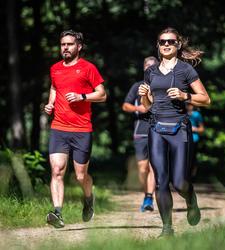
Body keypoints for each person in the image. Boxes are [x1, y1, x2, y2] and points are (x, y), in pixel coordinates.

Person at [138, 27, 210, 236]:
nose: (166, 44)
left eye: (170, 41)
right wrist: (144, 95)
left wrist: (183, 95)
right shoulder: (150, 72)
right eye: (162, 42)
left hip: (179, 128)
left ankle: (191, 198)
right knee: (161, 180)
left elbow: (206, 99)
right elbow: (148, 106)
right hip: (156, 128)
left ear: (178, 45)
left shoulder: (186, 70)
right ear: (158, 46)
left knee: (179, 182)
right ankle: (167, 228)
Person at [44, 30, 107, 228]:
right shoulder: (55, 68)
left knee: (80, 176)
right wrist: (50, 104)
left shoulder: (88, 68)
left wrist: (82, 97)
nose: (65, 48)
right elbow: (54, 88)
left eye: (70, 44)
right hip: (58, 128)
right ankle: (57, 213)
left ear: (79, 46)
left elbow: (102, 95)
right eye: (63, 44)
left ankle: (88, 198)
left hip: (81, 129)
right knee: (57, 170)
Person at [122, 56, 158, 212]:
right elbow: (125, 106)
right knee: (142, 168)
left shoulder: (162, 86)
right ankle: (146, 194)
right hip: (140, 131)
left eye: (153, 66)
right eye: (147, 66)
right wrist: (138, 109)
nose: (149, 68)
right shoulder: (137, 86)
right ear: (143, 68)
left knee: (154, 167)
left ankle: (150, 197)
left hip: (158, 130)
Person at [186, 103, 205, 178]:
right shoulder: (181, 114)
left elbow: (202, 129)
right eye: (187, 105)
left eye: (190, 105)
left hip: (194, 139)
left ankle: (191, 176)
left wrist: (194, 129)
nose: (188, 106)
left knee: (192, 159)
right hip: (182, 140)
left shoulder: (196, 115)